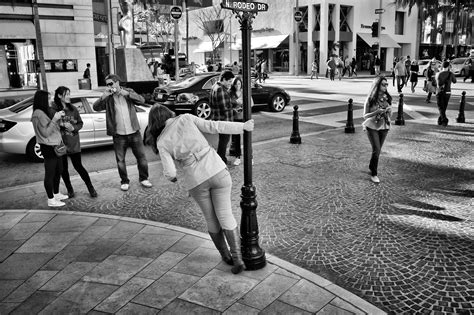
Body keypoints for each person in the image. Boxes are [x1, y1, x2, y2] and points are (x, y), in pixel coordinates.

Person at [145, 105, 255, 274]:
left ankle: (225, 256)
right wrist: (243, 127)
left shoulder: (161, 142)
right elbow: (214, 126)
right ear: (168, 114)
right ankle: (238, 258)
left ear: (154, 123)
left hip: (195, 180)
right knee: (225, 214)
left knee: (211, 219)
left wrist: (173, 177)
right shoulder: (186, 118)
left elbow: (171, 172)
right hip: (216, 169)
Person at [93, 74, 152, 191]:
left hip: (134, 131)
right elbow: (96, 107)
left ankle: (144, 178)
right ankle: (124, 181)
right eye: (107, 85)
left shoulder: (128, 92)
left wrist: (128, 94)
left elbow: (142, 100)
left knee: (141, 158)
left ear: (117, 82)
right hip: (118, 134)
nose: (109, 86)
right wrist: (102, 97)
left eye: (111, 84)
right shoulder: (108, 97)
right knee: (120, 160)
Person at [51, 86, 97, 199]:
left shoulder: (73, 109)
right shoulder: (53, 110)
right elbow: (50, 125)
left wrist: (73, 128)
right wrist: (60, 124)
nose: (69, 97)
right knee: (63, 169)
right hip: (60, 144)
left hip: (73, 143)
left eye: (69, 94)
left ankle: (90, 187)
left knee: (79, 166)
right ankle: (70, 189)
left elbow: (80, 123)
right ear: (59, 96)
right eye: (66, 94)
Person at [31, 90, 69, 207]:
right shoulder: (38, 114)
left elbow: (53, 128)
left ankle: (56, 193)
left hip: (56, 145)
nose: (50, 100)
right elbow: (46, 133)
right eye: (48, 98)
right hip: (48, 147)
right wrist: (55, 119)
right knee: (50, 173)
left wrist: (60, 121)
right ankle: (51, 199)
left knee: (59, 170)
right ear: (42, 100)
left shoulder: (44, 111)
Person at [362, 76, 392, 184]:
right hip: (372, 126)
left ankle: (371, 166)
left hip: (384, 126)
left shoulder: (387, 97)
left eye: (386, 84)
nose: (385, 86)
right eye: (383, 84)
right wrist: (376, 112)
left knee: (378, 151)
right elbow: (365, 116)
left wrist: (388, 111)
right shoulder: (370, 99)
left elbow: (390, 112)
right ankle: (374, 174)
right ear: (377, 85)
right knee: (377, 149)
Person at [210, 70, 235, 164]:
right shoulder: (220, 89)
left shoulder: (214, 86)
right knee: (224, 141)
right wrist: (234, 110)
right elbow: (224, 108)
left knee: (222, 140)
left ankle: (220, 158)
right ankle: (221, 160)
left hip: (217, 118)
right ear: (224, 79)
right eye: (229, 81)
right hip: (224, 120)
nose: (230, 84)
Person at [229, 76, 251, 166]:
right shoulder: (231, 93)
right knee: (236, 139)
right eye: (235, 84)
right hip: (235, 118)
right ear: (233, 85)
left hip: (244, 117)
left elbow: (251, 103)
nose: (237, 86)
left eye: (239, 83)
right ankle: (237, 157)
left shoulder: (244, 92)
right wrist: (234, 109)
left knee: (247, 138)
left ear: (241, 84)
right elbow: (229, 104)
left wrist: (242, 106)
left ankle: (250, 157)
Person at [435, 61, 456, 126]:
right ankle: (441, 120)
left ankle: (444, 120)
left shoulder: (438, 74)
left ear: (442, 66)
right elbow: (454, 81)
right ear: (449, 66)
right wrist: (452, 72)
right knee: (444, 107)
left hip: (439, 92)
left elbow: (438, 85)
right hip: (448, 92)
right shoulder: (450, 74)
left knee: (441, 107)